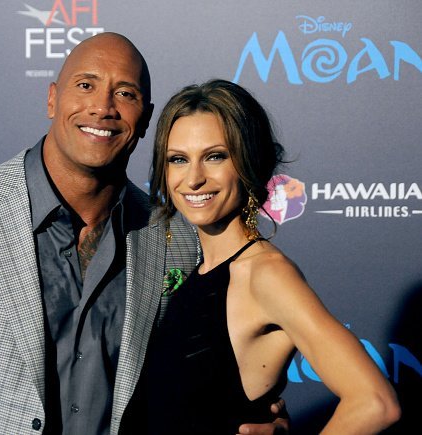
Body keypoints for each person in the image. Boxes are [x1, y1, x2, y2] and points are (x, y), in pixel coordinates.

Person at [0, 33, 288, 435]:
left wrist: (258, 421)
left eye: (126, 93)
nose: (103, 107)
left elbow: (205, 384)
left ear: (147, 118)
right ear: (52, 99)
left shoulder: (182, 240)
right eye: (85, 85)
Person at [121, 79, 401, 434]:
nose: (193, 179)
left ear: (249, 162)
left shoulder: (265, 273)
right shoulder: (201, 269)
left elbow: (375, 402)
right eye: (178, 159)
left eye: (215, 156)